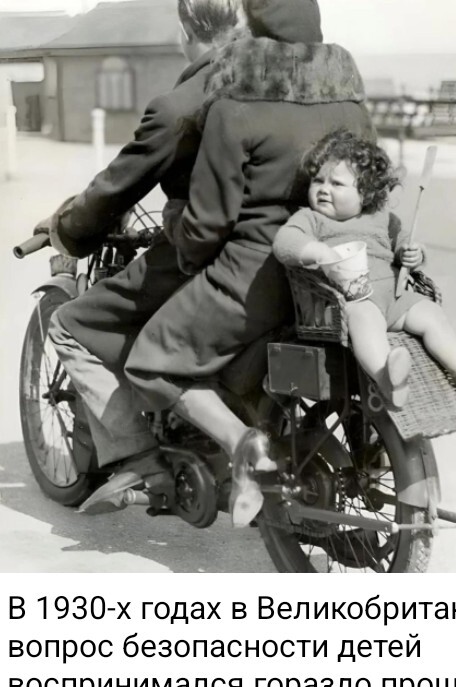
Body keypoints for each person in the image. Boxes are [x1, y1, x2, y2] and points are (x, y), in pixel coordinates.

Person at [113, 11, 377, 526]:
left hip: (255, 274)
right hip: (338, 271)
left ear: (251, 32)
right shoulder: (350, 105)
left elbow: (207, 224)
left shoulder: (234, 106)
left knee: (149, 361)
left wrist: (184, 249)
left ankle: (243, 445)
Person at [43, 0, 316, 493]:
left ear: (185, 28)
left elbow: (118, 185)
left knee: (71, 325)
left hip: (209, 252)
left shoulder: (181, 104)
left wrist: (69, 228)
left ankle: (140, 459)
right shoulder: (282, 82)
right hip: (295, 245)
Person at [272, 129, 456, 408]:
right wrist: (317, 251)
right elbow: (285, 242)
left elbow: (400, 238)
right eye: (318, 181)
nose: (323, 189)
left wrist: (412, 252)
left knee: (429, 312)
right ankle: (387, 378)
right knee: (364, 318)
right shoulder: (311, 219)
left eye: (336, 184)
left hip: (393, 298)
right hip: (352, 301)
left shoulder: (379, 216)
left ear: (365, 193)